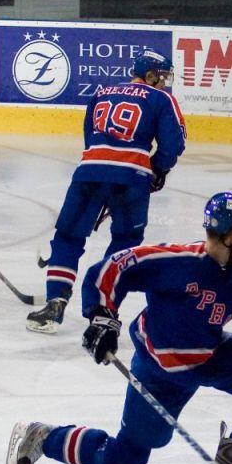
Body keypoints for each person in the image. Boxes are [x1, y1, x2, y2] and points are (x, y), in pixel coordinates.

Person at [6, 193, 232, 464]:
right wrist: (102, 317)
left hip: (210, 357)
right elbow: (112, 268)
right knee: (126, 459)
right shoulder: (177, 261)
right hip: (159, 369)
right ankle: (43, 436)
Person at [28, 49, 186, 334]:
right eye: (162, 77)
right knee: (125, 243)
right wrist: (157, 169)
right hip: (132, 177)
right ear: (150, 75)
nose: (164, 82)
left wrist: (102, 167)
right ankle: (102, 310)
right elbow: (173, 144)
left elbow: (89, 136)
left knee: (68, 236)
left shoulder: (102, 92)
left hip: (89, 173)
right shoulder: (161, 99)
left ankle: (54, 304)